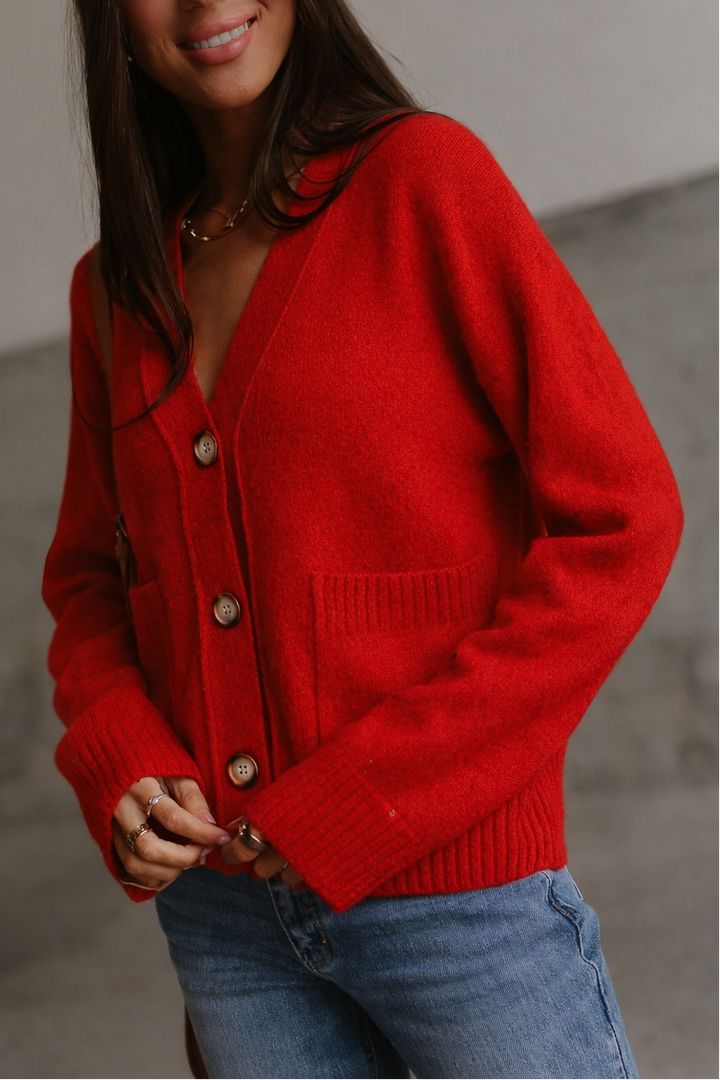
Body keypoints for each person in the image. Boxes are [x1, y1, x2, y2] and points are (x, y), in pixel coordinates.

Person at [43, 1, 683, 1078]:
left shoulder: (425, 182)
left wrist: (369, 799)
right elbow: (89, 582)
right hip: (227, 925)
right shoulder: (115, 289)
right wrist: (125, 757)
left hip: (460, 905)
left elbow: (621, 520)